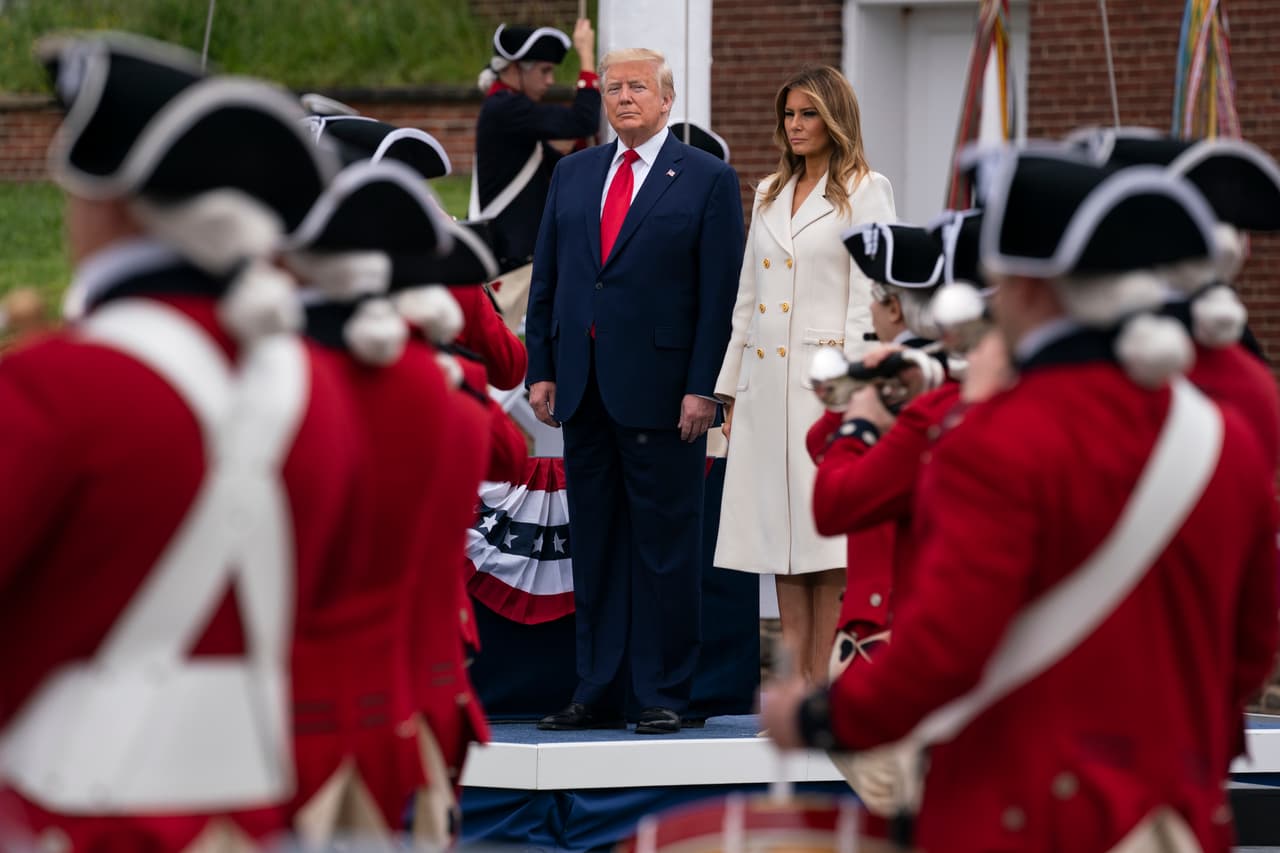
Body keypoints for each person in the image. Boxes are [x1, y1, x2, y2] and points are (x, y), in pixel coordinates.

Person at [765, 149, 1279, 852]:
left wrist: (822, 717)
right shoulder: (1224, 437)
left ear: (1034, 289)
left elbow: (944, 650)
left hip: (1027, 813)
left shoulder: (995, 440)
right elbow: (1250, 648)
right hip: (1172, 815)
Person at [0, 33, 364, 851]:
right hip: (247, 817)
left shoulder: (61, 385)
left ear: (111, 202)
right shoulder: (320, 394)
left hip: (56, 816)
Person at [525, 47, 744, 735]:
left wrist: (704, 388)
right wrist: (542, 366)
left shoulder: (707, 180)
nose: (622, 97)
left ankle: (662, 691)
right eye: (614, 86)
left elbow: (719, 297)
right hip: (583, 391)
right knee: (595, 546)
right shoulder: (572, 173)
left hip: (665, 395)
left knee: (665, 550)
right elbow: (549, 279)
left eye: (637, 88)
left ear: (666, 100)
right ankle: (596, 688)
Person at [713, 65, 895, 685]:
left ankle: (830, 687)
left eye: (808, 114)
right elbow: (746, 297)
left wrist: (855, 391)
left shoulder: (868, 188)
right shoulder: (766, 190)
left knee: (829, 541)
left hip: (827, 390)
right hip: (765, 391)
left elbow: (869, 295)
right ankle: (795, 689)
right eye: (789, 114)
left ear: (834, 118)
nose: (795, 126)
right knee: (778, 544)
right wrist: (729, 391)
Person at [473, 18, 601, 322]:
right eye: (544, 70)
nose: (549, 80)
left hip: (521, 249)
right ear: (516, 68)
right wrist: (586, 57)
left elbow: (559, 168)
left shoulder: (510, 109)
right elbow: (582, 120)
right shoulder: (505, 107)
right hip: (513, 253)